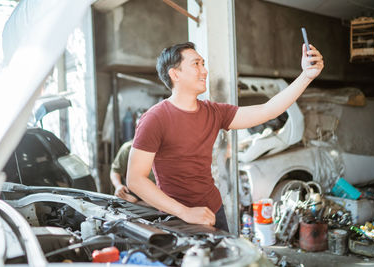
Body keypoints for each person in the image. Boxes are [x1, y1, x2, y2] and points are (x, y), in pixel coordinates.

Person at [127, 42, 324, 231]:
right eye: (196, 64)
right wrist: (185, 212)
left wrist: (306, 76)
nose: (204, 71)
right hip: (177, 217)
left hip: (214, 210)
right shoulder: (155, 118)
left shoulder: (214, 112)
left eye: (203, 64)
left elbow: (267, 110)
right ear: (175, 74)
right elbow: (135, 179)